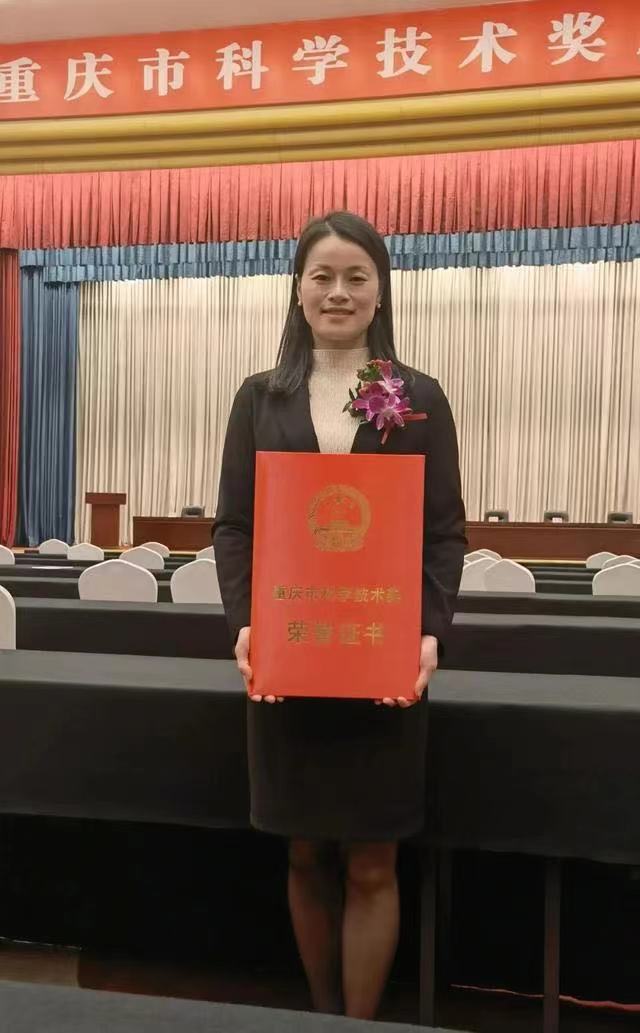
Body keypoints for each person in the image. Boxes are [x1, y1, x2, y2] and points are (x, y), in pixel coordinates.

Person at [213, 211, 466, 1020]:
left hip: (379, 656)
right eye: (322, 276)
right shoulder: (260, 398)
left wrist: (426, 635)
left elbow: (443, 533)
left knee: (372, 862)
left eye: (357, 276)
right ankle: (322, 1014)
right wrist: (245, 625)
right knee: (303, 853)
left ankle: (357, 1023)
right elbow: (234, 527)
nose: (338, 292)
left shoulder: (418, 399)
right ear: (297, 289)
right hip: (291, 656)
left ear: (380, 291)